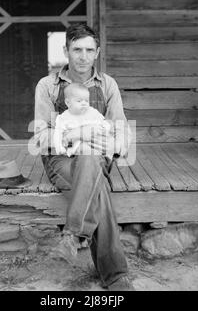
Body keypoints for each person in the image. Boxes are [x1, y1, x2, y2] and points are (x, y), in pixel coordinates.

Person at [33, 23, 134, 291]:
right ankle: (116, 277)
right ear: (66, 51)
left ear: (97, 52)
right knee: (97, 187)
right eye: (77, 49)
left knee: (90, 159)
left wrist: (105, 141)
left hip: (98, 157)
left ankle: (73, 235)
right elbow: (41, 138)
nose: (83, 56)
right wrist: (76, 133)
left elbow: (122, 136)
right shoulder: (48, 86)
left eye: (89, 50)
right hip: (61, 160)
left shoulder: (107, 85)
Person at [53, 82, 114, 159]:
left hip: (96, 142)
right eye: (79, 101)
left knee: (109, 142)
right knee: (86, 151)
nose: (84, 103)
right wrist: (60, 148)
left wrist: (105, 129)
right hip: (77, 147)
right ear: (68, 102)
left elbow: (104, 123)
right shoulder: (63, 118)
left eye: (86, 101)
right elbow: (57, 134)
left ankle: (107, 157)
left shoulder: (92, 112)